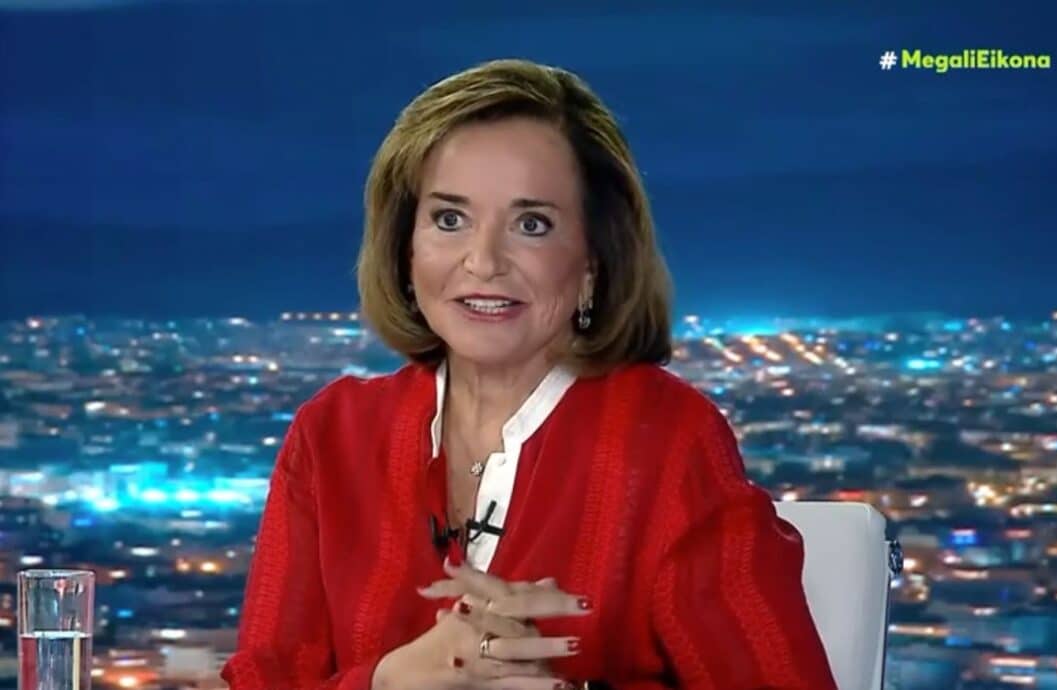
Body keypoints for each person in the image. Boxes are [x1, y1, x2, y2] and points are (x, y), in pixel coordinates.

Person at [221, 58, 838, 690]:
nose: (483, 261)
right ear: (405, 248)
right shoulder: (333, 435)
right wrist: (388, 680)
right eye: (449, 219)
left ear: (593, 260)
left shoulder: (668, 440)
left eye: (531, 224)